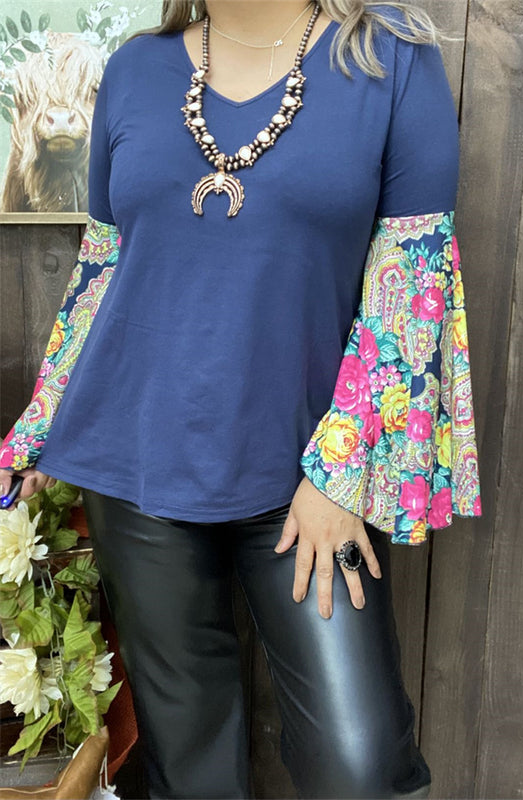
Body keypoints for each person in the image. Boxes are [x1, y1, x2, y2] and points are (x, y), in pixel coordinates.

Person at [0, 1, 483, 797]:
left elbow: (413, 274)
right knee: (190, 767)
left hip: (309, 470)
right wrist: (40, 422)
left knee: (360, 765)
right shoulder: (134, 69)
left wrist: (339, 474)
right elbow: (103, 266)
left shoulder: (387, 56)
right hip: (134, 464)